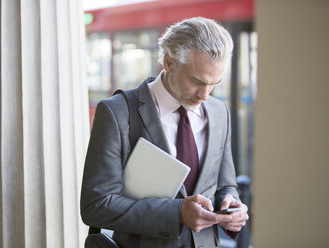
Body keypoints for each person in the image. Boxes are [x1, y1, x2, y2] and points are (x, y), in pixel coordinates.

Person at [81, 17, 249, 248]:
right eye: (197, 81)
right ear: (169, 62)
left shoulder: (219, 112)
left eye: (214, 83)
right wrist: (177, 213)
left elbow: (225, 185)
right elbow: (96, 206)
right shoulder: (116, 112)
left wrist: (231, 205)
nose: (205, 95)